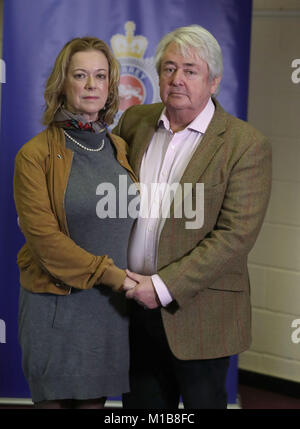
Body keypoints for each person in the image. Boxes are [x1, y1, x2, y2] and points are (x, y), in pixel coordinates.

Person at [113, 25, 272, 409]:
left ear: (214, 81)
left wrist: (163, 287)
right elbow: (111, 201)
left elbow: (234, 237)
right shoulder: (135, 121)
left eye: (190, 70)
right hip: (130, 309)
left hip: (201, 316)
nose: (176, 79)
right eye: (168, 69)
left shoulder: (245, 145)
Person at [13, 37, 138, 409]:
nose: (90, 85)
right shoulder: (34, 155)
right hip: (55, 307)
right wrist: (112, 274)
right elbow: (44, 240)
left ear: (111, 86)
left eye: (100, 76)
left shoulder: (120, 148)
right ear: (62, 83)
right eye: (80, 75)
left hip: (107, 311)